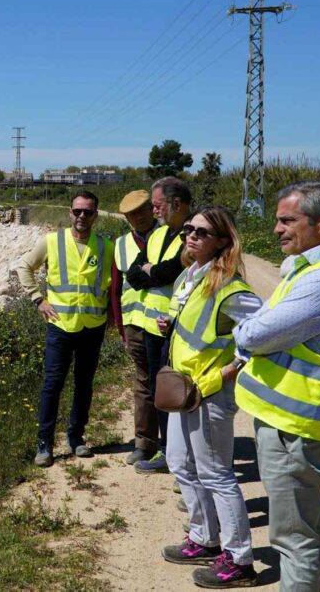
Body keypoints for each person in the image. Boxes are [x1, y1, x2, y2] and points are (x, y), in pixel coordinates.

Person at [235, 182, 320, 592]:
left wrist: (245, 329)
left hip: (295, 429)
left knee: (293, 539)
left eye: (287, 220)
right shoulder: (313, 269)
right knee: (310, 531)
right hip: (297, 425)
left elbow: (255, 335)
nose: (276, 229)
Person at [157, 207, 262, 588]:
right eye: (189, 229)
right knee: (179, 463)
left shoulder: (230, 287)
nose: (191, 236)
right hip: (183, 389)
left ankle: (239, 559)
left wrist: (231, 370)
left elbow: (264, 332)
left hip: (210, 392)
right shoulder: (189, 276)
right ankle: (204, 538)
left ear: (222, 240)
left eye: (202, 232)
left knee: (217, 473)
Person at [14, 191, 114, 466]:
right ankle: (44, 444)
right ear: (70, 213)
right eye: (78, 211)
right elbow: (24, 267)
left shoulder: (106, 246)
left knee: (84, 384)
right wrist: (38, 300)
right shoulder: (52, 241)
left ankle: (77, 438)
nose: (82, 216)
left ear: (96, 215)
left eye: (88, 212)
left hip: (92, 327)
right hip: (60, 326)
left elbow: (114, 284)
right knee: (53, 384)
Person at [125, 176, 192, 474]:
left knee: (180, 392)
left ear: (176, 204)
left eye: (157, 206)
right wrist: (153, 271)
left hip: (179, 328)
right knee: (159, 390)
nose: (154, 212)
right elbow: (133, 274)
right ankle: (167, 450)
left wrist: (153, 271)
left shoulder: (193, 234)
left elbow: (170, 272)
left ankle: (181, 456)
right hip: (155, 327)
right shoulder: (157, 235)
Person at [108, 190, 163, 465]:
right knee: (143, 382)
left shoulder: (171, 237)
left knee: (166, 382)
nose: (138, 218)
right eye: (132, 214)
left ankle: (172, 445)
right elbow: (116, 289)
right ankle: (145, 443)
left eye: (142, 211)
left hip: (164, 324)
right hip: (134, 324)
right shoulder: (120, 245)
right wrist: (121, 327)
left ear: (153, 209)